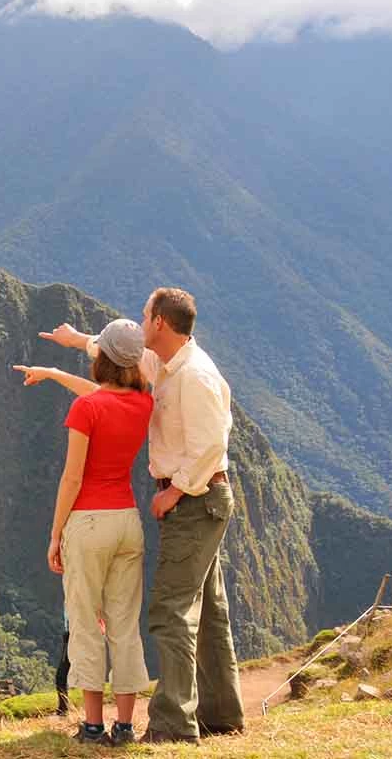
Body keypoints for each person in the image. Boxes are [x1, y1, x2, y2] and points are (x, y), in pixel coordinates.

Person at [40, 288, 244, 744]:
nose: (141, 320)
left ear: (161, 324)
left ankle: (173, 724)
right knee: (208, 611)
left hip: (196, 499)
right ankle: (220, 714)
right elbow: (120, 355)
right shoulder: (160, 370)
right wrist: (77, 342)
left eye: (145, 314)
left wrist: (174, 492)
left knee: (170, 612)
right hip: (145, 515)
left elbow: (213, 444)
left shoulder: (194, 376)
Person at [14, 317, 151, 746]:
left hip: (88, 523)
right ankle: (125, 726)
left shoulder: (87, 410)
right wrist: (56, 374)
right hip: (128, 521)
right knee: (125, 624)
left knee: (88, 623)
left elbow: (72, 478)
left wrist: (56, 535)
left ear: (102, 357)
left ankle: (92, 725)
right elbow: (102, 395)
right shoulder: (144, 403)